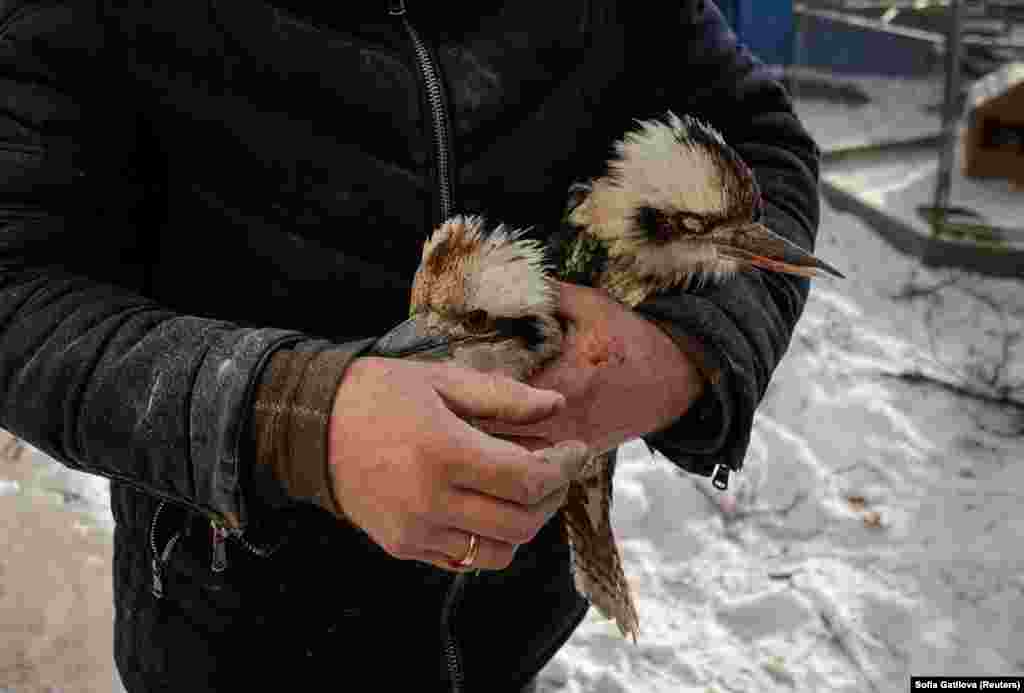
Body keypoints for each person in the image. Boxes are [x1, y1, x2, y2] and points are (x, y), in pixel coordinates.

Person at [0, 0, 821, 690]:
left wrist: (688, 351)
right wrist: (299, 418)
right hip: (228, 646)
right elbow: (18, 290)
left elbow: (760, 141)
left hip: (513, 628)